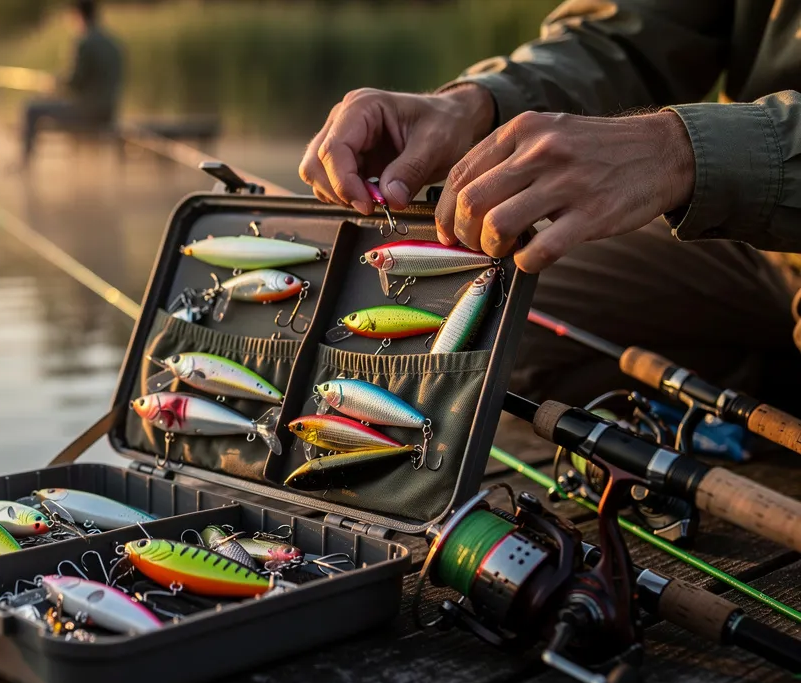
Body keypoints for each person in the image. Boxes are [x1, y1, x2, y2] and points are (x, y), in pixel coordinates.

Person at [299, 0, 801, 409]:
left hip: (752, 196)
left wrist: (682, 152)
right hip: (749, 236)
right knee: (497, 329)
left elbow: (686, 150)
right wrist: (478, 104)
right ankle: (762, 381)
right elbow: (630, 31)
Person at [18, 0, 124, 169]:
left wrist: (53, 83)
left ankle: (24, 164)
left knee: (31, 108)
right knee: (48, 105)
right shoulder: (113, 42)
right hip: (109, 111)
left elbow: (75, 82)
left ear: (78, 15)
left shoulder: (84, 42)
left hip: (88, 112)